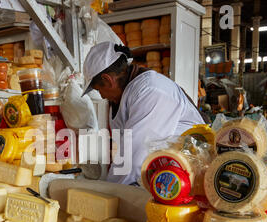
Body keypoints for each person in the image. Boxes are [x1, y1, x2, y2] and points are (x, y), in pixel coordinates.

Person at [82, 42, 206, 185]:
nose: (102, 96)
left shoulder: (150, 91)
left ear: (108, 80)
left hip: (188, 177)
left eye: (99, 90)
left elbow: (134, 159)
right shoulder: (126, 94)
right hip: (165, 174)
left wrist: (109, 192)